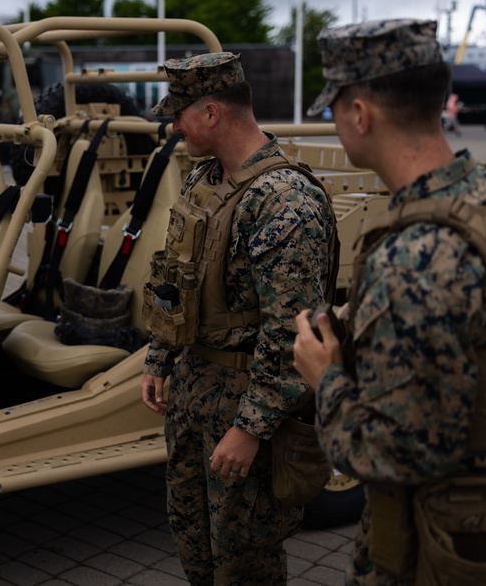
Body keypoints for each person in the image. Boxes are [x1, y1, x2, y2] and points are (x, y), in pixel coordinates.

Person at [293, 19, 486, 585]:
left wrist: (328, 381)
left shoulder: (413, 259)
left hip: (433, 555)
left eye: (335, 107)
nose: (335, 121)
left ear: (360, 114)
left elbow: (397, 453)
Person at [139, 53, 337, 585]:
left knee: (244, 565)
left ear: (210, 113)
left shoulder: (283, 200)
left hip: (243, 404)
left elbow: (290, 330)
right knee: (198, 555)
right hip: (193, 394)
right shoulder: (205, 179)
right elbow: (175, 275)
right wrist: (160, 356)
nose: (173, 128)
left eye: (178, 115)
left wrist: (251, 428)